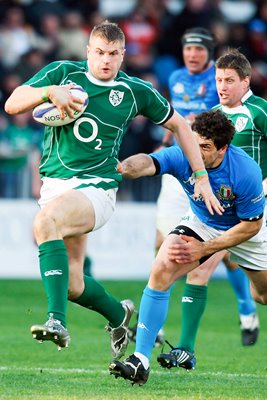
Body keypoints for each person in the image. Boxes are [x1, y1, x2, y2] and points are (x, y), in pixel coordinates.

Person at [4, 21, 220, 355]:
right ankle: (120, 315)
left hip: (97, 189)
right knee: (74, 284)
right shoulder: (63, 72)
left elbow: (179, 124)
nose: (106, 60)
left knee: (45, 223)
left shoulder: (135, 91)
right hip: (55, 186)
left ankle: (56, 322)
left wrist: (201, 176)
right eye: (100, 53)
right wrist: (49, 92)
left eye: (114, 54)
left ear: (123, 56)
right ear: (88, 52)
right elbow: (14, 102)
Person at [109, 109, 267, 386]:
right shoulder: (183, 153)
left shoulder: (246, 171)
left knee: (262, 296)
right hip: (202, 221)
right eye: (194, 143)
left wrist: (205, 248)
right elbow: (148, 163)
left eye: (205, 147)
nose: (197, 151)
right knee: (162, 267)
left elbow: (251, 226)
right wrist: (122, 168)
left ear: (223, 149)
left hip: (247, 230)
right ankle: (140, 360)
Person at [128, 29, 258, 349]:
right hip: (189, 170)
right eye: (188, 49)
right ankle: (163, 335)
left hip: (233, 185)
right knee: (166, 245)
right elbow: (176, 125)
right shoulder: (175, 79)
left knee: (217, 258)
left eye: (199, 50)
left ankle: (245, 310)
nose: (193, 55)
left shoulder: (235, 102)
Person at [156, 48, 267, 372]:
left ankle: (247, 310)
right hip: (220, 206)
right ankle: (186, 350)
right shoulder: (214, 113)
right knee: (199, 266)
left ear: (245, 81)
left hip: (256, 206)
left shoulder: (259, 111)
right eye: (219, 79)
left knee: (262, 294)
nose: (222, 86)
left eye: (229, 80)